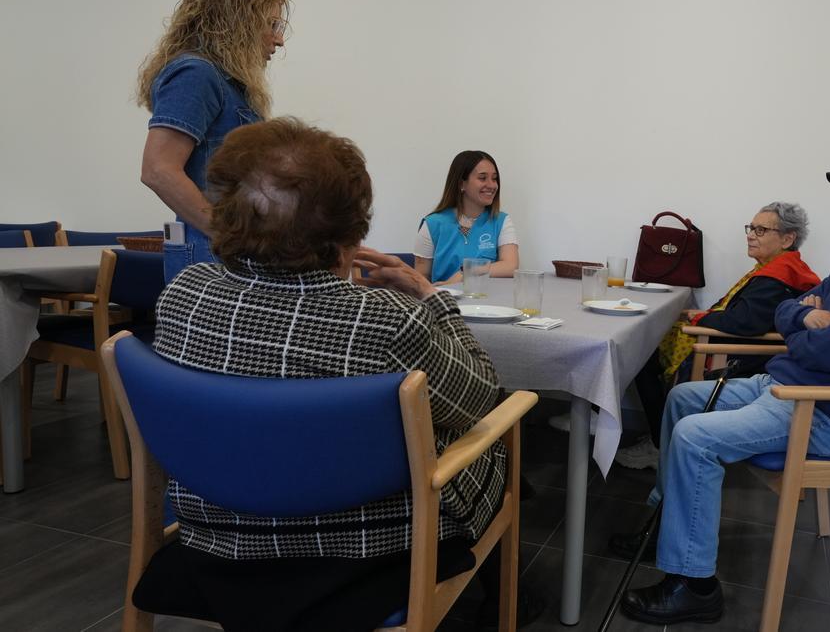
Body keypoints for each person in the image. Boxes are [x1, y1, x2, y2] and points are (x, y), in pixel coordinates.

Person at [142, 118, 539, 631]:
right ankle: (510, 599)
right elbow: (479, 395)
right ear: (351, 228)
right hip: (365, 559)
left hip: (216, 536)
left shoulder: (184, 294)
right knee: (500, 441)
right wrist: (431, 296)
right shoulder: (387, 319)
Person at [611, 158, 830, 625]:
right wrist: (805, 319)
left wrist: (804, 331)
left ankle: (695, 585)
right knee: (681, 398)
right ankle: (668, 523)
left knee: (695, 436)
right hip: (790, 386)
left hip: (829, 414)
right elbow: (789, 311)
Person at [612, 202, 821, 470]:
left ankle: (658, 443)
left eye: (761, 229)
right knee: (648, 343)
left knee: (644, 354)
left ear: (787, 239)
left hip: (741, 359)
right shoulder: (780, 268)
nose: (750, 235)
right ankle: (651, 433)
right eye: (751, 228)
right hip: (739, 348)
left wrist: (698, 317)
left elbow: (743, 321)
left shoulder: (779, 276)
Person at [136, 0, 290, 283]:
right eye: (271, 24)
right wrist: (227, 236)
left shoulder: (226, 81)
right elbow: (158, 170)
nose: (279, 39)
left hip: (225, 252)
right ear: (239, 22)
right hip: (212, 254)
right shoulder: (197, 74)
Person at [414, 150, 519, 285]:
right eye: (482, 178)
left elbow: (510, 266)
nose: (492, 185)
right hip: (446, 302)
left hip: (488, 302)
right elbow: (420, 279)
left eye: (494, 178)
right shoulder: (432, 224)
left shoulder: (501, 221)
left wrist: (466, 273)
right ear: (461, 184)